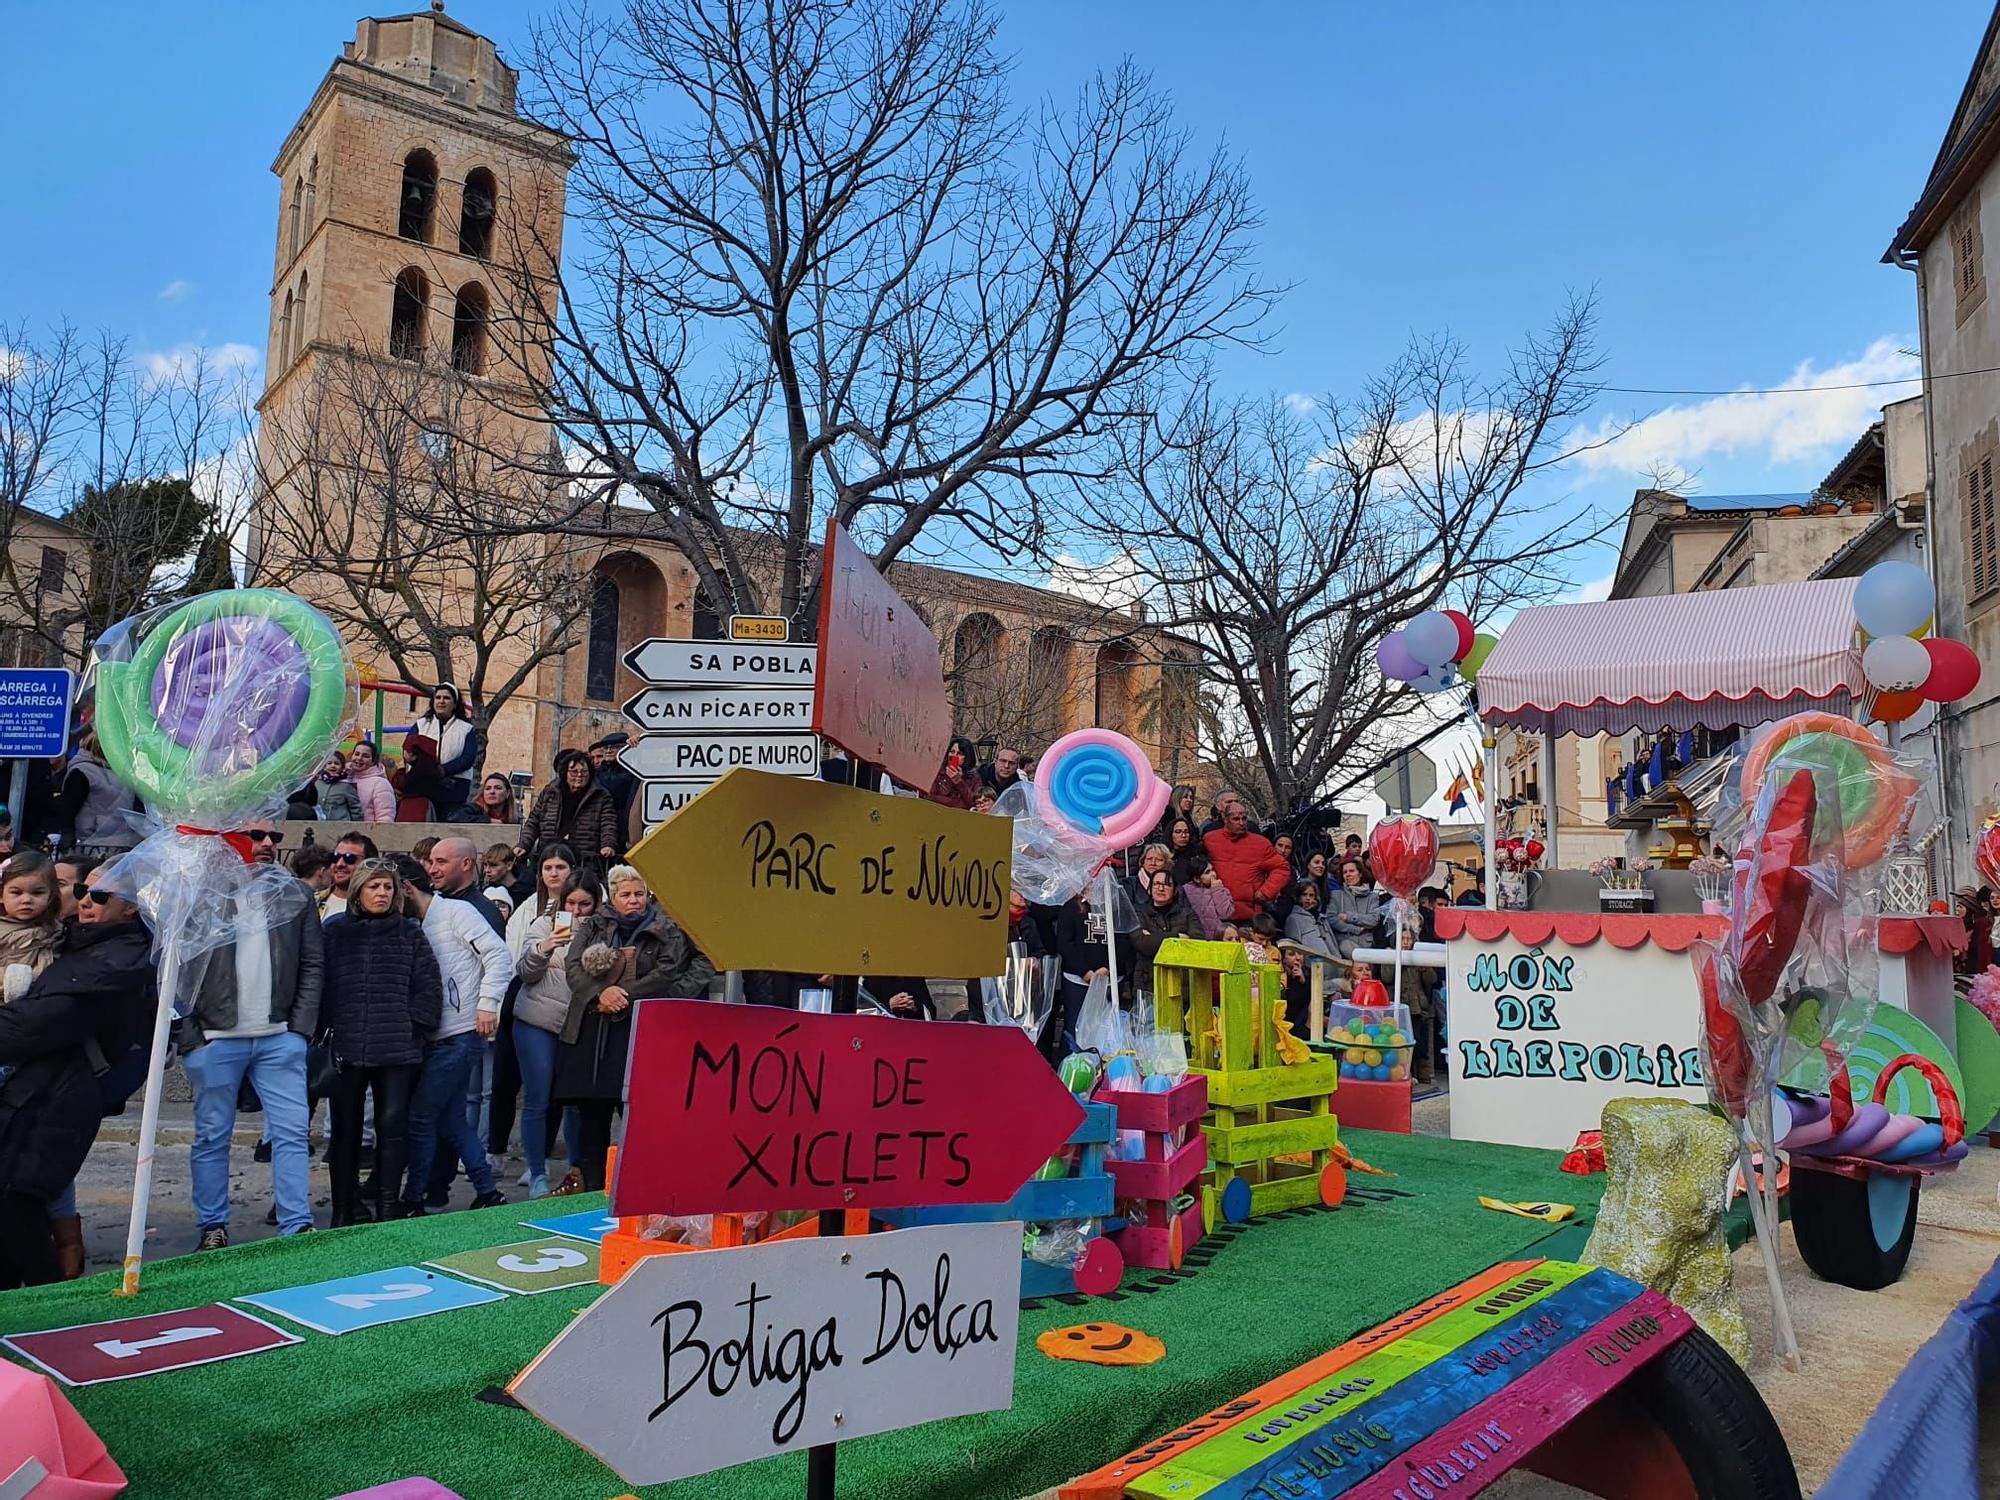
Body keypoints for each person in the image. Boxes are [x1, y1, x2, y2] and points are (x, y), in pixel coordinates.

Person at [180, 819, 324, 1248]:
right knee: (211, 1135)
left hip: (279, 1035)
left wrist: (299, 1029)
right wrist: (191, 1038)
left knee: (292, 1132)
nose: (266, 845)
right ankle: (213, 1225)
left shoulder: (294, 894)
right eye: (255, 836)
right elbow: (174, 972)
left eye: (274, 838)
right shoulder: (198, 897)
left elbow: (313, 964)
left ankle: (296, 1223)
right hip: (216, 1036)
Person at [0, 883, 153, 1288]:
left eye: (101, 895)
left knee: (19, 1199)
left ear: (131, 908)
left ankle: (46, 1305)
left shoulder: (117, 958)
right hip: (38, 1090)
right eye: (84, 890)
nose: (86, 900)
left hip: (61, 1096)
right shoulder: (75, 942)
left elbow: (39, 1024)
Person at [555, 866, 714, 1193]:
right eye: (626, 895)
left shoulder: (667, 926)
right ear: (613, 896)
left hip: (642, 1028)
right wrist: (600, 994)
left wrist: (626, 995)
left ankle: (639, 1191)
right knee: (591, 1121)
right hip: (594, 1033)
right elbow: (573, 967)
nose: (634, 901)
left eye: (639, 894)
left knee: (641, 1116)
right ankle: (592, 1190)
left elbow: (668, 971)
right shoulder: (594, 923)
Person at [319, 858, 442, 1225]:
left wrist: (415, 1026)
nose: (382, 893)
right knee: (346, 1131)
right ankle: (343, 1209)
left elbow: (428, 985)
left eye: (388, 886)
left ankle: (388, 1208)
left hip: (397, 1047)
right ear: (358, 890)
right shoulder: (335, 931)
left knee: (392, 1129)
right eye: (374, 886)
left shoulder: (409, 932)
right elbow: (321, 983)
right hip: (347, 1045)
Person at [395, 857, 513, 1216]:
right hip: (448, 1034)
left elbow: (499, 956)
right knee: (452, 1120)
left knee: (421, 1118)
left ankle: (413, 1198)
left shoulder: (456, 914)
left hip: (458, 1034)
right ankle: (487, 1190)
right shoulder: (423, 921)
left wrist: (487, 1005)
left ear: (405, 888)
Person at [512, 873, 598, 1196]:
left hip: (576, 1024)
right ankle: (537, 1172)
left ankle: (578, 1170)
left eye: (584, 904)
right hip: (537, 1019)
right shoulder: (543, 926)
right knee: (539, 1097)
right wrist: (544, 948)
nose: (576, 911)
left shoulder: (602, 932)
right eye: (570, 903)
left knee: (575, 1099)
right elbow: (525, 972)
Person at [1054, 883, 1134, 1055]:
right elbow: (1064, 943)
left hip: (1110, 979)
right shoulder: (1071, 907)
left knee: (1107, 1030)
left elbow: (1124, 941)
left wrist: (1109, 969)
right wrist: (1085, 971)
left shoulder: (1116, 908)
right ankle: (1070, 1072)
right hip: (1078, 980)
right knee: (1075, 1028)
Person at [517, 749, 619, 868]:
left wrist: (608, 844)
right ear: (565, 773)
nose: (579, 776)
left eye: (584, 772)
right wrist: (523, 845)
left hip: (584, 859)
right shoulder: (550, 792)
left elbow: (608, 823)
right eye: (574, 772)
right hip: (549, 854)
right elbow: (534, 821)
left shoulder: (601, 795)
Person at [1201, 800, 1289, 923]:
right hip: (1216, 911)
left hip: (1249, 914)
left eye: (1244, 818)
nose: (1241, 823)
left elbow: (1282, 868)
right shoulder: (1209, 839)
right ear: (1225, 819)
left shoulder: (1260, 844)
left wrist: (1266, 892)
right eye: (1236, 819)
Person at [407, 684, 482, 821]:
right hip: (424, 787)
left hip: (454, 789)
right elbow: (409, 749)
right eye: (438, 697)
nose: (441, 701)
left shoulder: (466, 729)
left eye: (446, 698)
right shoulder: (421, 725)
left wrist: (444, 770)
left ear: (454, 704)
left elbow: (468, 758)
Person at [0, 853, 65, 1006]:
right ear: (1, 895)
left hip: (33, 1004)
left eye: (37, 893)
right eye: (16, 892)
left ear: (50, 896)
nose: (26, 900)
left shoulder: (55, 930)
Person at [58, 731, 138, 853]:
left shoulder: (124, 772)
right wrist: (67, 836)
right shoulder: (82, 772)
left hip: (118, 844)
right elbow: (68, 810)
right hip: (90, 845)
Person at [1132, 869, 1200, 970]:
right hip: (1148, 977)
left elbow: (1197, 945)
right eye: (1156, 884)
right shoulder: (1139, 913)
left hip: (1181, 976)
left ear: (1175, 890)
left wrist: (1154, 938)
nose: (1161, 888)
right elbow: (1143, 944)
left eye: (1167, 884)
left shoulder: (1188, 914)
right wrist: (1178, 936)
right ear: (1150, 889)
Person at [589, 734, 640, 854]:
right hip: (599, 832)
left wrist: (637, 749)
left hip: (625, 831)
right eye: (606, 748)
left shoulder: (634, 771)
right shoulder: (596, 774)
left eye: (614, 747)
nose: (608, 750)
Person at [1325, 858, 1381, 958]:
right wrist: (1357, 929)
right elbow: (1331, 919)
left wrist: (1348, 917)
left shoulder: (1372, 897)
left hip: (1367, 946)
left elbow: (1373, 920)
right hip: (1344, 947)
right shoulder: (1336, 895)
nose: (1348, 874)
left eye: (1351, 871)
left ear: (1360, 874)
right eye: (1345, 872)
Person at [321, 832, 378, 919]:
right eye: (335, 857)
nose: (339, 864)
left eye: (349, 858)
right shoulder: (312, 901)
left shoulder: (378, 906)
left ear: (370, 865)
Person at [1283, 878, 1341, 960]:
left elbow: (1334, 944)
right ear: (1298, 897)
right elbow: (1294, 949)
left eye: (1311, 895)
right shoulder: (1293, 919)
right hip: (1313, 967)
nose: (1308, 898)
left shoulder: (1322, 918)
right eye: (1304, 894)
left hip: (1335, 965)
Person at [1180, 852, 1233, 938]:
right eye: (1207, 872)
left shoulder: (1221, 889)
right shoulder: (1184, 891)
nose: (1213, 874)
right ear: (1197, 878)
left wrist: (1217, 890)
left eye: (1212, 870)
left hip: (1217, 937)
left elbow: (1225, 914)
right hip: (1195, 937)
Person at [345, 739, 398, 822]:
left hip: (367, 833)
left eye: (365, 756)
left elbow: (385, 817)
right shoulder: (345, 778)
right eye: (357, 754)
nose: (359, 758)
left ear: (373, 761)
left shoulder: (380, 784)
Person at [925, 736, 981, 810]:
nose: (954, 756)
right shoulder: (938, 772)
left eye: (960, 753)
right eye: (952, 752)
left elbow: (975, 802)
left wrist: (959, 782)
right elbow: (929, 797)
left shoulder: (974, 778)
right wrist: (958, 803)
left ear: (967, 757)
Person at [314, 751, 362, 822]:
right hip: (319, 825)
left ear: (342, 767)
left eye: (336, 763)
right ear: (324, 766)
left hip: (341, 826)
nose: (333, 766)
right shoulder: (317, 783)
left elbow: (356, 808)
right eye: (329, 763)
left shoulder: (346, 785)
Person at [1129, 843, 1172, 908]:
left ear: (1166, 864)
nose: (1153, 863)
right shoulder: (1129, 883)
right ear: (1143, 862)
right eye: (1149, 859)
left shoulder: (1173, 884)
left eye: (1158, 860)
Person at [1166, 817, 1201, 885]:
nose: (1183, 835)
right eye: (1178, 832)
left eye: (1186, 832)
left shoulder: (1197, 853)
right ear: (1170, 834)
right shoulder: (1163, 854)